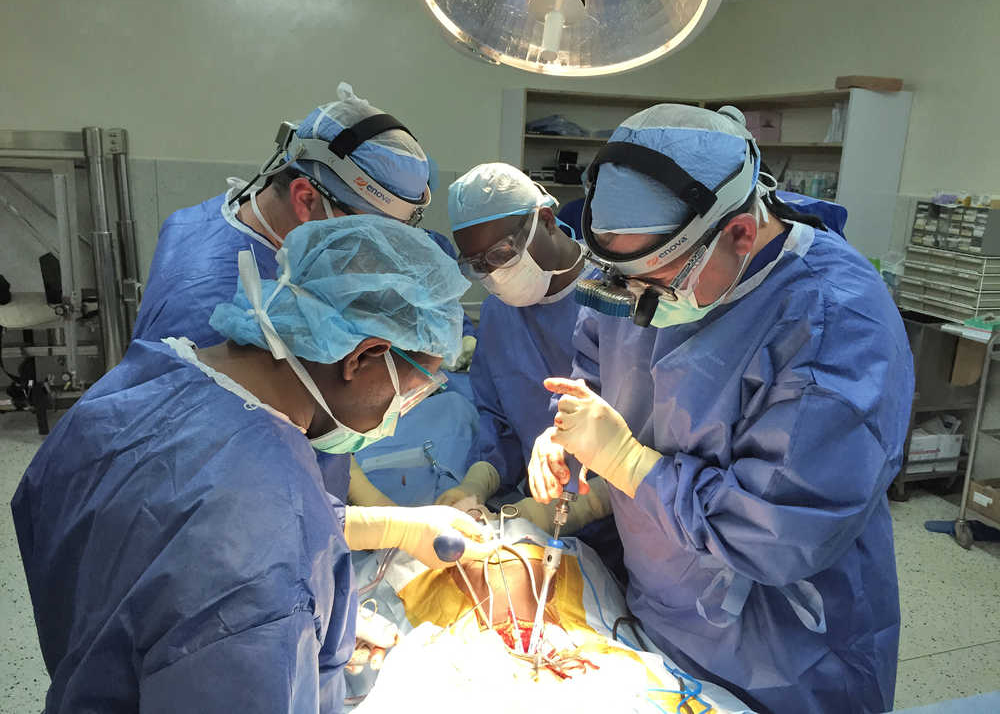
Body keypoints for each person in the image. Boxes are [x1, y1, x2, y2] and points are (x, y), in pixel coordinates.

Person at [12, 216, 498, 713]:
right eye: (415, 389)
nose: (402, 409)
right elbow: (233, 583)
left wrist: (310, 636)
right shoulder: (266, 543)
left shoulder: (128, 391)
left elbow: (142, 584)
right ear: (362, 357)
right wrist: (282, 629)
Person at [528, 104, 913, 714]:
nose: (638, 304)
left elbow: (780, 533)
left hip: (783, 650)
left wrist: (626, 460)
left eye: (654, 282)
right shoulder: (645, 275)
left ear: (738, 233)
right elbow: (596, 362)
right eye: (619, 279)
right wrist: (568, 429)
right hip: (660, 601)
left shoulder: (834, 320)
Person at [132, 82, 472, 499]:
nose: (381, 253)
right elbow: (234, 485)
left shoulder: (211, 221)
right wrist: (375, 522)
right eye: (370, 231)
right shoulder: (224, 304)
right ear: (306, 198)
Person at [435, 163, 612, 542]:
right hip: (538, 520)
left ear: (546, 220)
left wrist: (587, 505)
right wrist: (477, 483)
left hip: (628, 523)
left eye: (501, 253)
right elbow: (500, 421)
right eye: (477, 265)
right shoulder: (500, 313)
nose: (494, 273)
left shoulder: (616, 300)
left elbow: (649, 438)